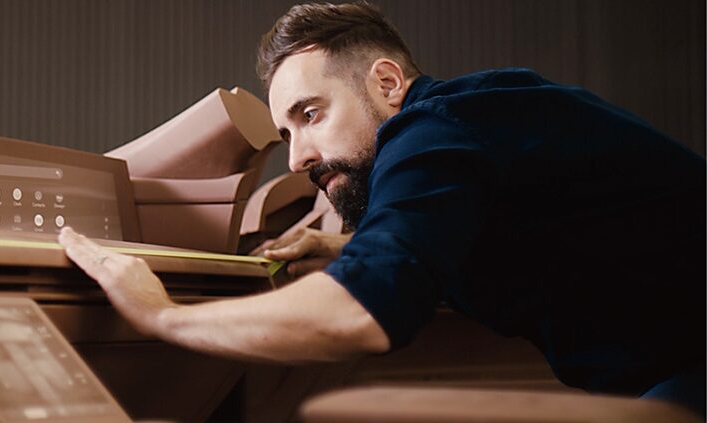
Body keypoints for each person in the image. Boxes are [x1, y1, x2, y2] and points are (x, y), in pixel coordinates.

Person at [58, 1, 705, 417]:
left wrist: (160, 316)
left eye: (310, 115)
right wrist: (340, 247)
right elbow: (465, 229)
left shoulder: (430, 130)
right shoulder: (465, 129)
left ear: (387, 84)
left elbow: (360, 313)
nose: (296, 158)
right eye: (285, 133)